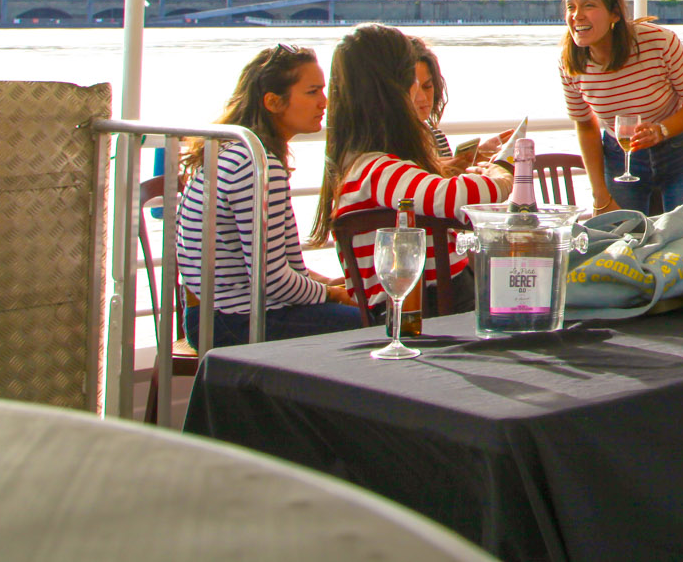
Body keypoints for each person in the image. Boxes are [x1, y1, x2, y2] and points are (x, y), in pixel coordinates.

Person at [311, 24, 513, 312]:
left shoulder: (362, 167)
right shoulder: (376, 170)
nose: (419, 93)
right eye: (413, 81)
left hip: (429, 303)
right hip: (432, 309)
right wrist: (503, 170)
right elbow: (457, 197)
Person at [176, 44, 361, 345]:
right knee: (375, 327)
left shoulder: (231, 150)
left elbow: (277, 270)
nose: (324, 102)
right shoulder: (256, 165)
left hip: (211, 316)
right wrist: (331, 293)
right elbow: (272, 282)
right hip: (235, 321)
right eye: (312, 92)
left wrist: (327, 284)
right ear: (273, 102)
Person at [561, 0, 683, 248]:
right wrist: (600, 195)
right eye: (571, 7)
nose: (577, 15)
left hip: (682, 153)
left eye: (589, 5)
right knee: (623, 251)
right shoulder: (570, 63)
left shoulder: (658, 42)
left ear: (615, 14)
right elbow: (585, 125)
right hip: (621, 157)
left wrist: (661, 130)